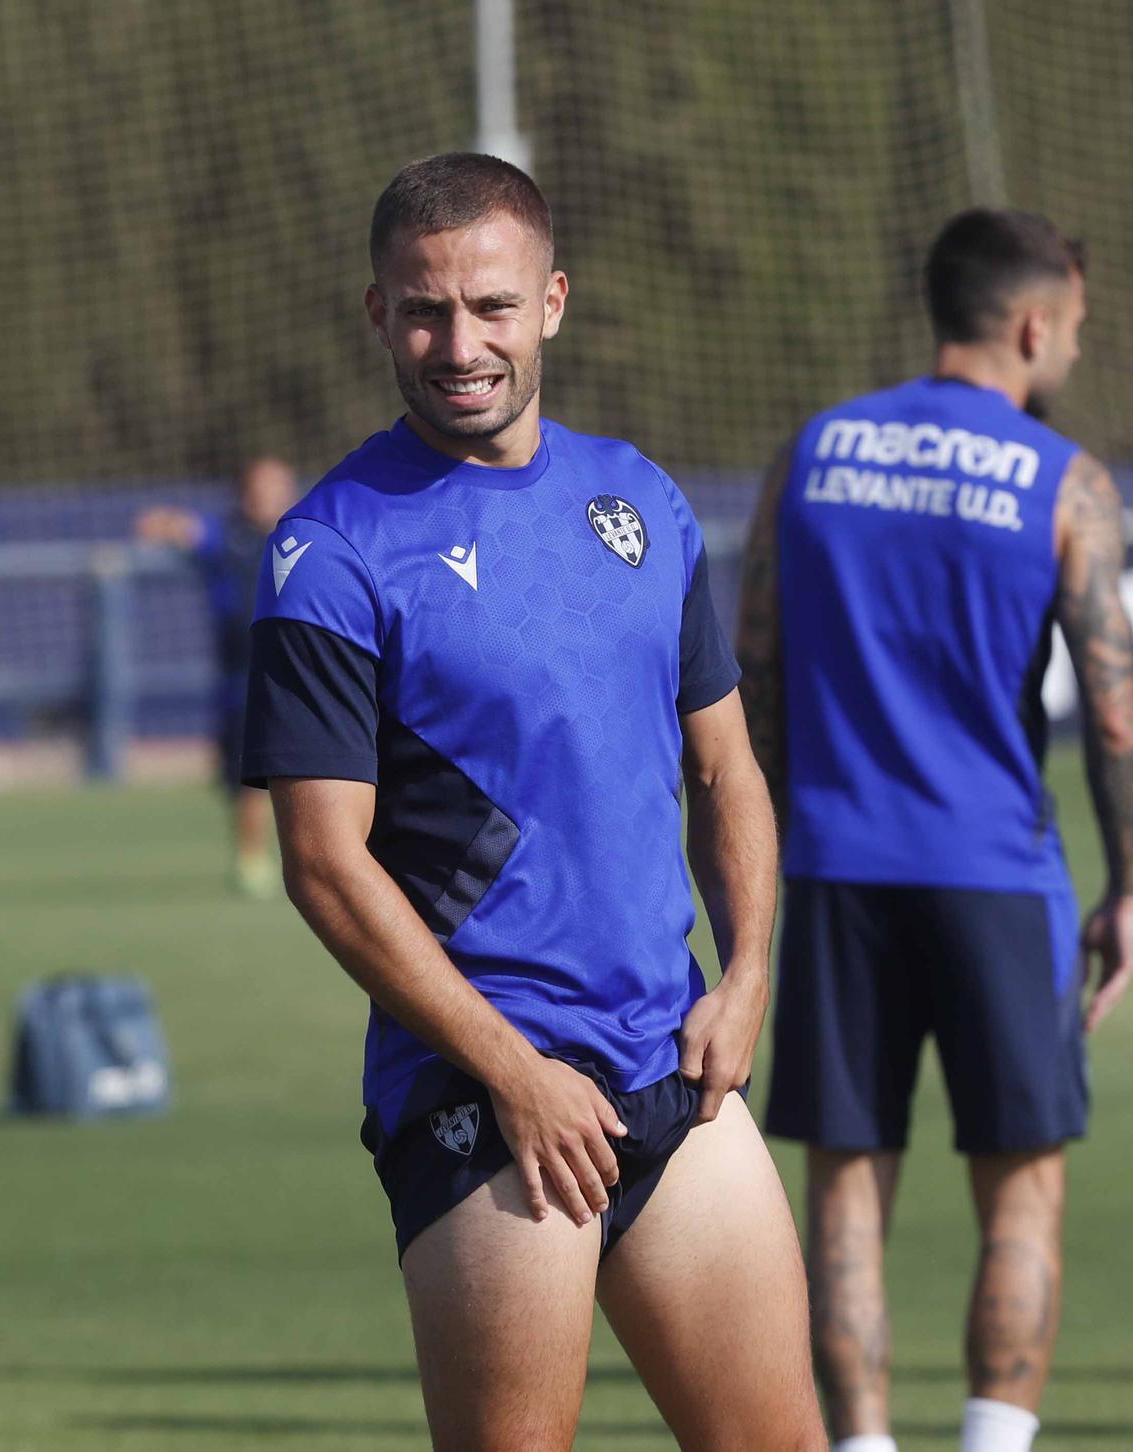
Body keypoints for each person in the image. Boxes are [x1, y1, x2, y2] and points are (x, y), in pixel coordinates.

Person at [239, 152, 824, 1451]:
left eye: (492, 306)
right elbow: (324, 867)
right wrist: (513, 1072)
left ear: (551, 300)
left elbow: (728, 769)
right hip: (482, 1099)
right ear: (378, 313)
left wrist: (746, 978)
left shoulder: (640, 500)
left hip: (668, 1070)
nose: (462, 343)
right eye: (427, 309)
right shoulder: (330, 552)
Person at [737, 208, 1133, 1452]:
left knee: (845, 1188)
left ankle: (860, 1444)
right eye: (1071, 327)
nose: (1070, 349)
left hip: (835, 867)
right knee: (1019, 1190)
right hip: (993, 874)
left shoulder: (809, 453)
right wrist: (1127, 883)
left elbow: (751, 670)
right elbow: (1116, 714)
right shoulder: (1060, 477)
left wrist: (775, 844)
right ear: (1031, 322)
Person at [134, 457, 296, 897]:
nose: (264, 496)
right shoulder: (228, 538)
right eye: (257, 487)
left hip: (298, 673)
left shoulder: (305, 535)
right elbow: (175, 526)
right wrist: (161, 524)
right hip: (242, 678)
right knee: (246, 774)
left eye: (274, 487)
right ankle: (251, 857)